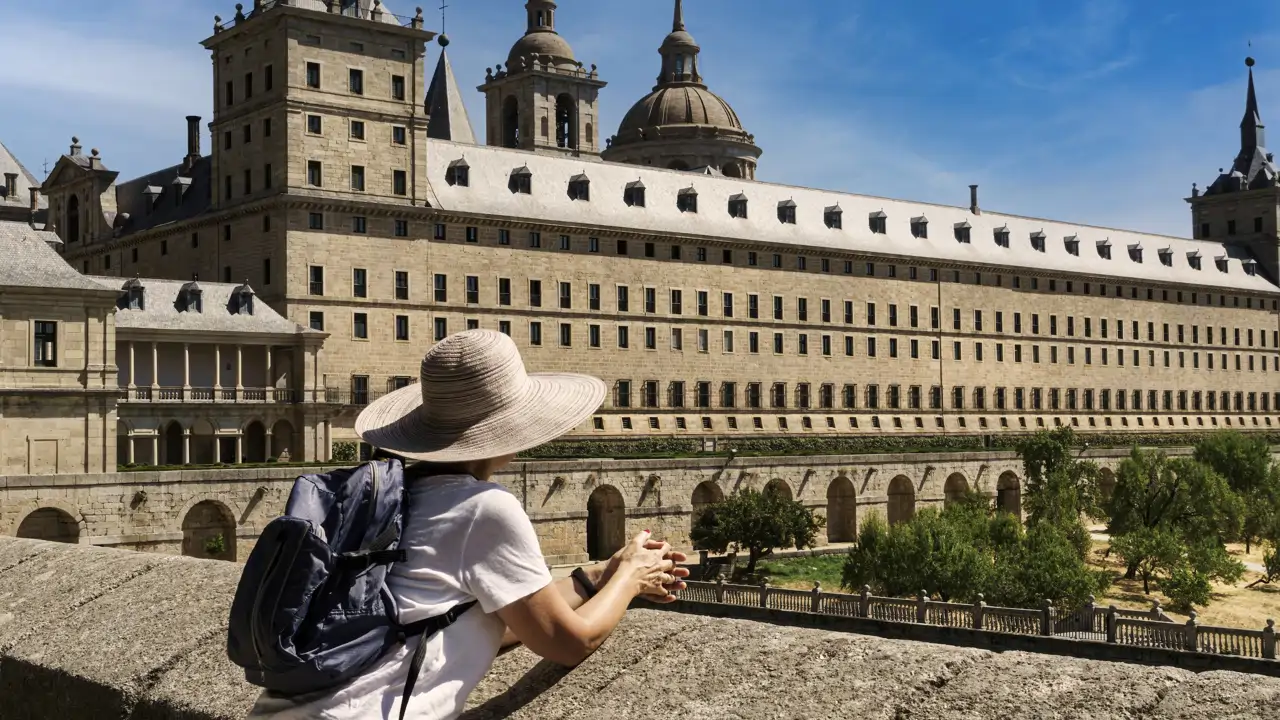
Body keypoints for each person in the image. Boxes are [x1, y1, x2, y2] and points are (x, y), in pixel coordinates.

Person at [247, 329, 687, 719]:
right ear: (516, 426)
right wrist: (631, 576)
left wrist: (595, 578)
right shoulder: (482, 507)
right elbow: (569, 644)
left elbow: (478, 625)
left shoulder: (394, 495)